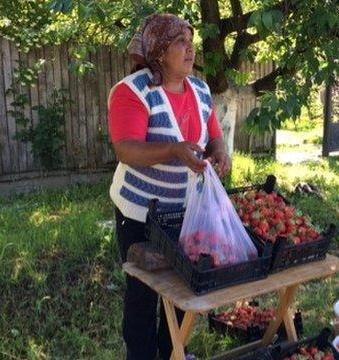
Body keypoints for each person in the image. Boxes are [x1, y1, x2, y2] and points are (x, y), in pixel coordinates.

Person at [107, 13, 230, 360]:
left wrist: (220, 152)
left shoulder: (201, 90)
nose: (190, 49)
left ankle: (175, 352)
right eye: (180, 42)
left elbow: (214, 137)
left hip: (186, 211)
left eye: (191, 42)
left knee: (182, 288)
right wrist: (175, 149)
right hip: (140, 213)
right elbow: (126, 149)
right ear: (159, 50)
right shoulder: (132, 92)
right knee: (143, 293)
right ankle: (142, 354)